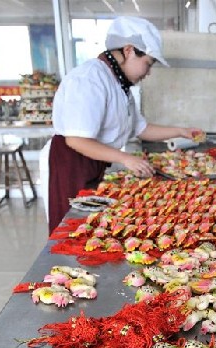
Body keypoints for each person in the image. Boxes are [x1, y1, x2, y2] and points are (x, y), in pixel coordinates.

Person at [47, 15, 204, 233]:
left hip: (94, 162)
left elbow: (141, 129)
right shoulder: (89, 78)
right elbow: (76, 140)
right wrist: (125, 158)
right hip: (72, 163)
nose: (147, 73)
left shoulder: (120, 85)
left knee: (90, 225)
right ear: (128, 50)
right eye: (147, 64)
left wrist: (181, 131)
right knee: (72, 228)